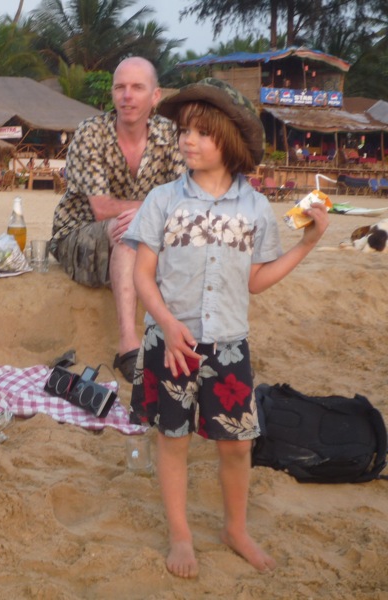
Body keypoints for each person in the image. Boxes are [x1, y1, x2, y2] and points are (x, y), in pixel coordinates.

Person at [122, 79, 329, 578]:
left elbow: (256, 281)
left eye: (201, 132)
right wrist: (167, 324)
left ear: (229, 140)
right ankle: (181, 534)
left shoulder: (255, 208)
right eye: (184, 131)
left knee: (237, 445)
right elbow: (142, 275)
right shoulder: (163, 200)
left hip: (230, 345)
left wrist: (306, 245)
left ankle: (235, 529)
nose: (187, 140)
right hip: (170, 343)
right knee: (172, 438)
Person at [50, 57, 186, 383]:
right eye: (120, 87)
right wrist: (152, 209)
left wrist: (151, 212)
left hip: (150, 233)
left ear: (155, 96)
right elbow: (101, 208)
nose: (127, 96)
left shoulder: (171, 135)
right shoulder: (91, 133)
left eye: (137, 87)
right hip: (79, 236)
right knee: (129, 229)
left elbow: (188, 199)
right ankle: (127, 345)